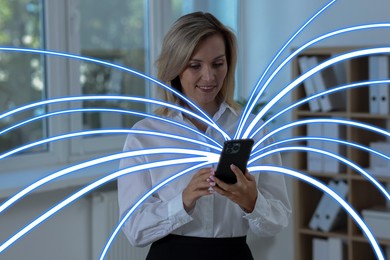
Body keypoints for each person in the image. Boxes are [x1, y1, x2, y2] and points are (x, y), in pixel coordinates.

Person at [117, 11, 291, 260]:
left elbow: (279, 220)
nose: (209, 77)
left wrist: (251, 201)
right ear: (175, 68)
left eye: (218, 64)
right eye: (195, 65)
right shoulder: (145, 136)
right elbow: (135, 231)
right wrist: (183, 201)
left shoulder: (254, 129)